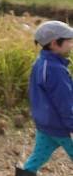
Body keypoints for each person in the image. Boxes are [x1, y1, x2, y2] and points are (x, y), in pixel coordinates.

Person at [15, 21, 73, 175]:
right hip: (63, 128)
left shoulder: (41, 63)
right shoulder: (55, 69)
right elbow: (64, 103)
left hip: (45, 126)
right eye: (69, 41)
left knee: (37, 158)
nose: (71, 44)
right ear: (54, 44)